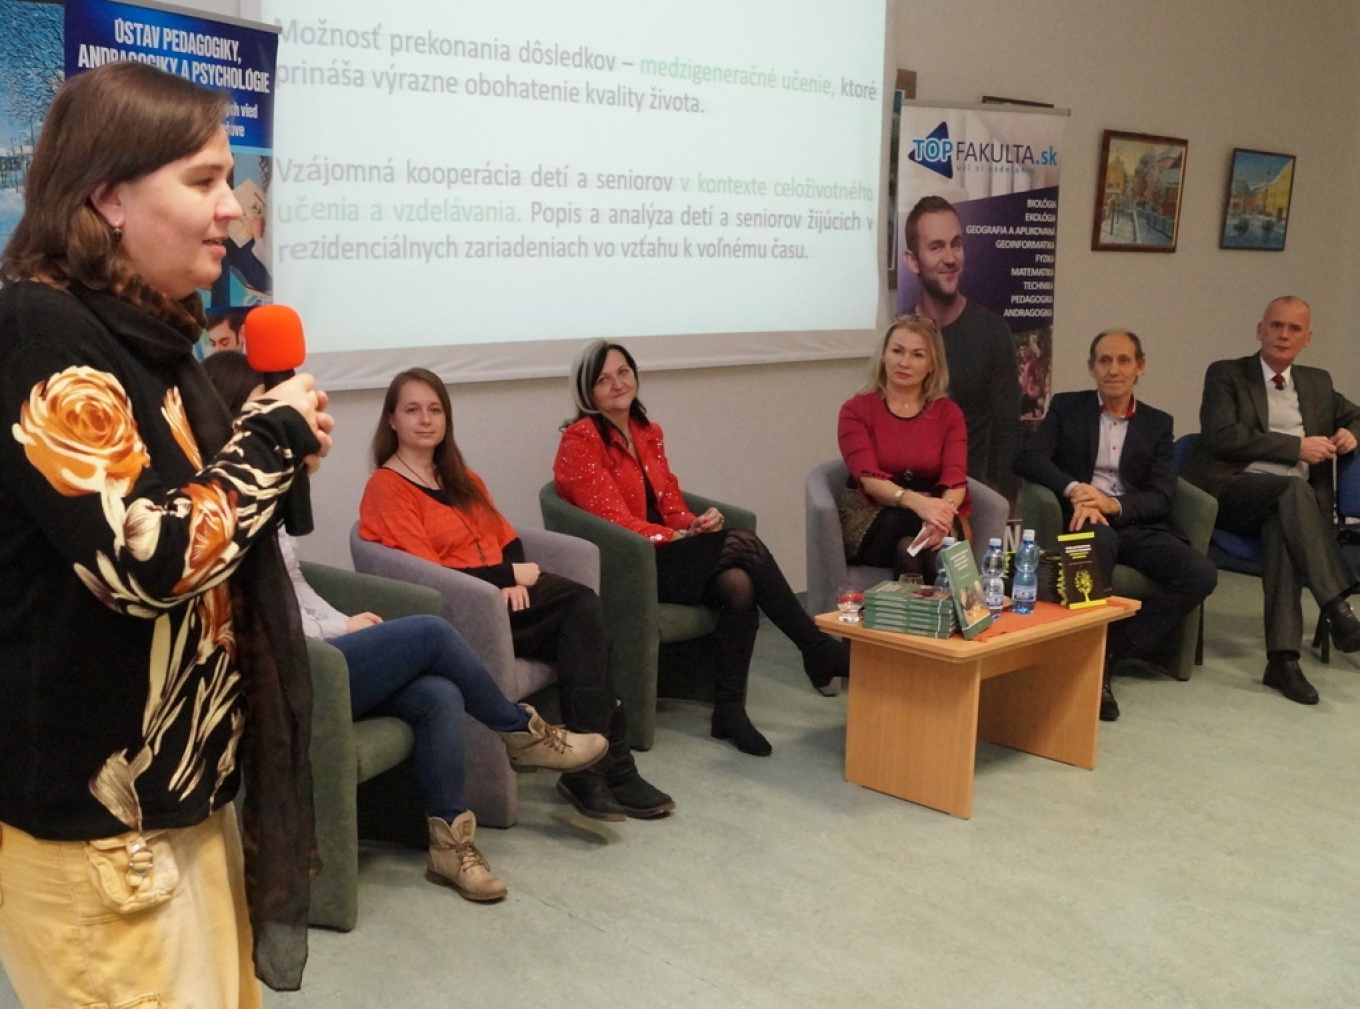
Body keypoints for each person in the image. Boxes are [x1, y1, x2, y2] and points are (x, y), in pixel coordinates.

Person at [0, 63, 333, 1009]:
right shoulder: (39, 338)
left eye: (232, 181)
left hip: (177, 794)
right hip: (79, 816)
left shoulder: (152, 343)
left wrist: (248, 431)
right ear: (107, 196)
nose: (233, 208)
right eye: (203, 181)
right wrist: (268, 441)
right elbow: (144, 560)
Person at [204, 351, 608, 901]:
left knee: (439, 693)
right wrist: (333, 638)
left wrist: (344, 622)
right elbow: (255, 620)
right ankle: (522, 733)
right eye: (262, 410)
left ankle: (451, 848)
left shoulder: (267, 500)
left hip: (316, 651)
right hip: (277, 674)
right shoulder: (212, 514)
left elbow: (295, 590)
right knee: (431, 632)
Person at [358, 368, 674, 821]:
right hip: (461, 613)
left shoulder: (461, 477)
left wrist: (510, 579)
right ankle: (610, 769)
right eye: (412, 410)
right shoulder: (387, 488)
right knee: (583, 609)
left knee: (585, 627)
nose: (425, 420)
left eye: (435, 410)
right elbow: (428, 576)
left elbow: (506, 539)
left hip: (506, 600)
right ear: (392, 420)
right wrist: (505, 577)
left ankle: (597, 770)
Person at [554, 340, 849, 757]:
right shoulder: (581, 441)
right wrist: (671, 538)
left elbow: (669, 504)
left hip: (664, 553)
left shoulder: (647, 432)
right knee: (744, 545)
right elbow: (613, 521)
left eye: (623, 372)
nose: (617, 383)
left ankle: (730, 710)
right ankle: (816, 648)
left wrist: (693, 524)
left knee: (739, 582)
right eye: (603, 379)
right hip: (629, 564)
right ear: (588, 392)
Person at [1183, 296, 1360, 705]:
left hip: (1288, 507)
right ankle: (1337, 608)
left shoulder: (1317, 382)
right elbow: (1222, 436)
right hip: (1233, 491)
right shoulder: (1227, 374)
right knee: (1291, 490)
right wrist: (1295, 448)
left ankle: (1283, 661)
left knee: (1282, 526)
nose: (1283, 335)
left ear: (1308, 338)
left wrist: (1352, 435)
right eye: (1276, 326)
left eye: (1294, 329)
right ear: (1260, 330)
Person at [1015, 330, 1218, 720]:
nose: (1114, 369)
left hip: (1135, 522)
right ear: (1091, 367)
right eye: (1104, 360)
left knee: (1201, 573)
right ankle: (1097, 676)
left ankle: (1116, 648)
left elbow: (1162, 495)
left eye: (1124, 360)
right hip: (1085, 519)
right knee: (1097, 544)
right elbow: (1028, 458)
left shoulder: (1158, 423)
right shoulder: (1067, 407)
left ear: (1140, 367)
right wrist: (1075, 489)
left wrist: (1114, 504)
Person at [901, 195, 1022, 499]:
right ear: (912, 261)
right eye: (936, 247)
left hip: (970, 498)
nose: (951, 258)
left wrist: (1002, 504)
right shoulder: (900, 339)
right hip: (908, 498)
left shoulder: (992, 332)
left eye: (956, 244)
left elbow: (1008, 431)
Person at [836, 313, 970, 581]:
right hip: (871, 516)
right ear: (884, 355)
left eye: (917, 355)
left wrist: (941, 513)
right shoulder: (856, 410)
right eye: (897, 351)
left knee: (910, 548)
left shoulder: (949, 413)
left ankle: (910, 607)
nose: (904, 363)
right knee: (915, 527)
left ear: (932, 365)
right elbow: (869, 479)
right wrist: (923, 507)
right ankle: (957, 606)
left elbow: (956, 478)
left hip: (933, 513)